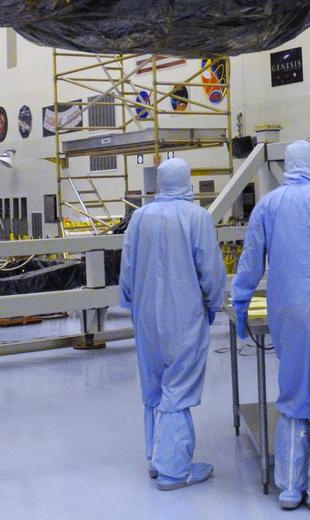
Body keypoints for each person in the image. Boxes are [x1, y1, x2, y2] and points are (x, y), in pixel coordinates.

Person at [232, 141, 310, 517]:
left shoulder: (270, 205)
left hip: (292, 313)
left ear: (287, 165)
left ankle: (291, 488)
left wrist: (241, 303)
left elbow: (252, 261)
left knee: (294, 394)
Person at [119, 158, 226, 491]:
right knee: (178, 388)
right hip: (183, 315)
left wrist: (131, 304)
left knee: (153, 385)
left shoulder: (139, 217)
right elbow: (210, 270)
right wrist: (214, 303)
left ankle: (156, 456)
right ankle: (174, 470)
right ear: (187, 181)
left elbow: (126, 265)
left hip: (146, 316)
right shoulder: (197, 217)